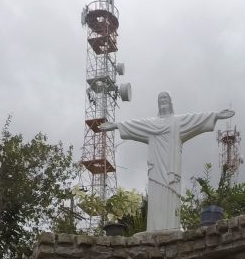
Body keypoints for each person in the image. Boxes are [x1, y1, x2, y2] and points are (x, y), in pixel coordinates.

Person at [100, 92, 233, 230]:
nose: (162, 101)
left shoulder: (178, 122)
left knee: (170, 195)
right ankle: (154, 228)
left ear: (170, 102)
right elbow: (135, 125)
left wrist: (216, 115)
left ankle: (170, 228)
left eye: (165, 98)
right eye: (160, 99)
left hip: (171, 168)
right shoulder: (151, 124)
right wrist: (116, 125)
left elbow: (196, 119)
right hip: (156, 168)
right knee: (156, 196)